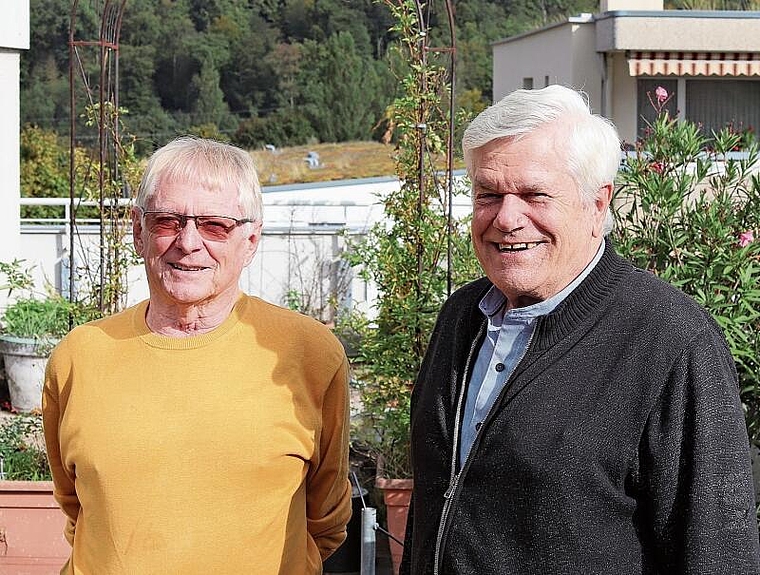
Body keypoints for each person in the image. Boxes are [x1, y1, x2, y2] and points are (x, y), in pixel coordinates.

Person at [400, 85, 760, 574]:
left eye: (534, 195)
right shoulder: (463, 316)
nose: (506, 219)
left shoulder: (671, 342)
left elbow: (717, 551)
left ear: (597, 203)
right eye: (488, 195)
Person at [42, 137, 352, 574]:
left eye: (215, 226)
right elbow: (76, 506)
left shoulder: (309, 354)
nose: (187, 242)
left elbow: (326, 519)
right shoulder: (79, 356)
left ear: (251, 240)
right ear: (138, 231)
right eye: (167, 220)